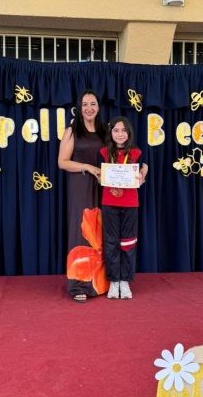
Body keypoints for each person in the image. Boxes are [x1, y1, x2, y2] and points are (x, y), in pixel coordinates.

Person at [58, 90, 107, 302]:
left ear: (98, 107)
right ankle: (78, 285)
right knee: (82, 231)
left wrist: (141, 169)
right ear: (79, 108)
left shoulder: (105, 131)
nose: (89, 108)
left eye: (93, 104)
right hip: (80, 185)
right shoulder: (72, 131)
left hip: (104, 186)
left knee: (101, 232)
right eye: (85, 104)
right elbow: (62, 162)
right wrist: (88, 167)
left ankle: (101, 283)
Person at [99, 116, 147, 299]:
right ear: (110, 133)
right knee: (111, 242)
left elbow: (145, 167)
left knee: (128, 242)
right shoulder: (103, 152)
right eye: (116, 130)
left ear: (129, 133)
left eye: (124, 130)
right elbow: (99, 174)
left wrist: (142, 174)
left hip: (130, 204)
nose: (120, 134)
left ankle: (125, 281)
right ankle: (114, 281)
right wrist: (100, 176)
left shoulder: (137, 152)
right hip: (109, 203)